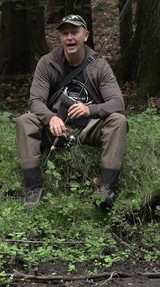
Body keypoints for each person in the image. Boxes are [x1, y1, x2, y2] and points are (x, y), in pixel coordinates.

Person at [16, 14, 128, 209]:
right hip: (56, 129)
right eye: (65, 33)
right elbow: (35, 101)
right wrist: (50, 118)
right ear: (60, 37)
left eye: (75, 32)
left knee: (118, 120)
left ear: (85, 36)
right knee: (25, 120)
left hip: (89, 129)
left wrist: (89, 109)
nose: (69, 38)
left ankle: (106, 188)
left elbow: (117, 103)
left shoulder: (99, 65)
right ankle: (34, 189)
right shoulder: (46, 63)